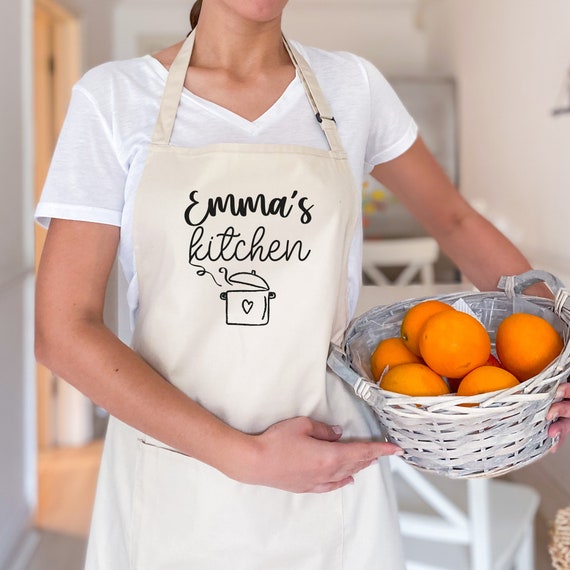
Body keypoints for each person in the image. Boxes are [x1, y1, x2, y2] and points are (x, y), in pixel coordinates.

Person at [34, 1, 569, 568]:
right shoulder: (113, 98)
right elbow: (64, 331)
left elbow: (455, 221)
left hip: (330, 469)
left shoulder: (352, 87)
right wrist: (246, 458)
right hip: (175, 477)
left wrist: (555, 351)